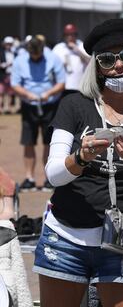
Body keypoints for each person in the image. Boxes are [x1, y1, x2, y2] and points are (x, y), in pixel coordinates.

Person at [33, 18, 123, 307]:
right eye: (108, 60)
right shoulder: (74, 106)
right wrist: (80, 158)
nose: (119, 66)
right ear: (96, 67)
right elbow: (54, 173)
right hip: (67, 233)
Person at [11, 36, 65, 191]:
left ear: (42, 50)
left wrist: (48, 93)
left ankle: (49, 178)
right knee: (28, 141)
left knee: (49, 142)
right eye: (32, 55)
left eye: (38, 55)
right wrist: (27, 94)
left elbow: (61, 82)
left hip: (49, 105)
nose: (35, 57)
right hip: (29, 105)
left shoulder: (53, 58)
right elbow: (15, 84)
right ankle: (30, 178)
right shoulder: (20, 60)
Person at [52, 24, 90, 96]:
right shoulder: (58, 47)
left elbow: (90, 62)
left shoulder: (82, 45)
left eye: (72, 35)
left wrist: (77, 50)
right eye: (67, 35)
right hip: (63, 87)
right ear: (64, 36)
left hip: (79, 86)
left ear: (76, 35)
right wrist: (60, 65)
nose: (70, 37)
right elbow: (51, 65)